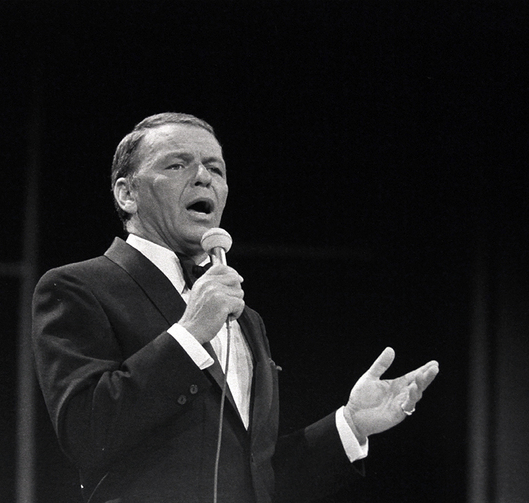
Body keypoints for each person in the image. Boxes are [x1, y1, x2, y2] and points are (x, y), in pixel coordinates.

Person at [32, 112, 439, 503]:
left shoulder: (245, 319)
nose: (203, 177)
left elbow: (252, 475)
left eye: (216, 169)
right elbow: (86, 433)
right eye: (177, 165)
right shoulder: (78, 286)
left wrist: (350, 425)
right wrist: (190, 333)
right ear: (127, 194)